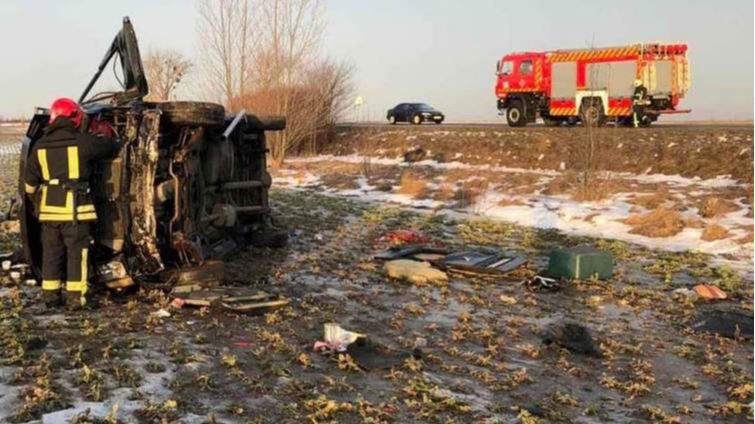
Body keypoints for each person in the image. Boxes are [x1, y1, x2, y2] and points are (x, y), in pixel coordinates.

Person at [24, 98, 120, 310]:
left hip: (49, 214)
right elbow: (109, 146)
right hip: (76, 212)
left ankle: (51, 297)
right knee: (76, 255)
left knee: (51, 254)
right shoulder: (83, 142)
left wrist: (38, 202)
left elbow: (29, 186)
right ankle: (76, 300)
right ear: (75, 118)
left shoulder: (40, 146)